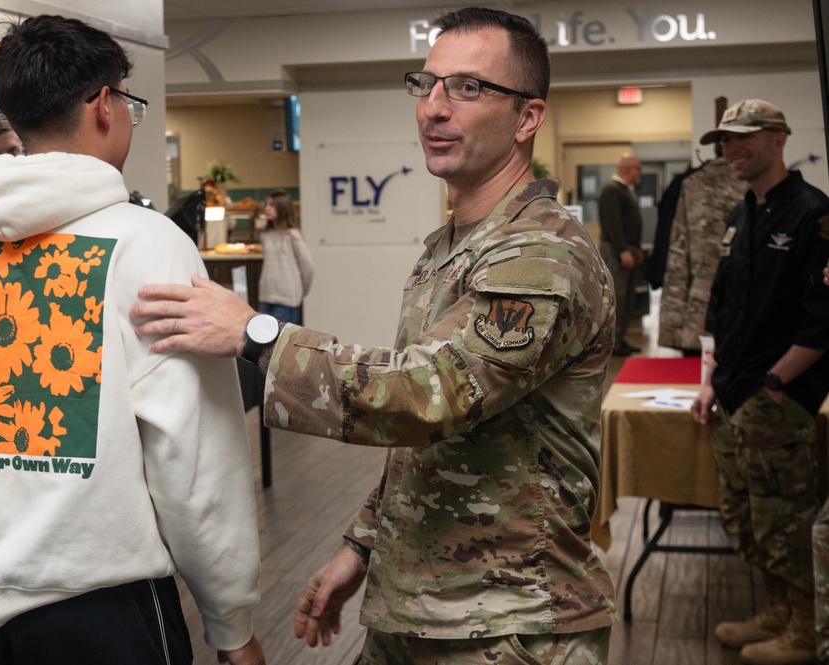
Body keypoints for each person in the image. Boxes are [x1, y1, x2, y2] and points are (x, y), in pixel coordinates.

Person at [132, 7, 617, 663]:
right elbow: (437, 443)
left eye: (468, 88)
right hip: (421, 605)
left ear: (528, 117)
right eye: (427, 84)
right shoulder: (449, 245)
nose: (434, 109)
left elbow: (433, 396)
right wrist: (362, 543)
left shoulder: (539, 253)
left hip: (510, 624)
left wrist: (257, 334)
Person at [0, 14, 264, 665]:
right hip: (105, 617)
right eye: (130, 101)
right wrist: (230, 620)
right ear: (104, 103)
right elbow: (196, 461)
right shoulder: (147, 244)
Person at [691, 98, 829, 665]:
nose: (731, 149)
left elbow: (823, 316)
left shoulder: (812, 214)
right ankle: (777, 611)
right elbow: (723, 310)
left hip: (778, 399)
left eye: (744, 137)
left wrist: (776, 381)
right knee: (747, 517)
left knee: (786, 519)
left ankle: (804, 631)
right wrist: (708, 381)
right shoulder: (740, 214)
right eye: (724, 140)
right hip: (732, 393)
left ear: (780, 138)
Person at [657, 149, 746, 353]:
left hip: (699, 310)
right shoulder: (756, 186)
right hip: (746, 312)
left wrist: (672, 327)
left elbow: (678, 256)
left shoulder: (692, 184)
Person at [598, 152, 644, 356]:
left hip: (628, 249)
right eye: (638, 168)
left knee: (627, 298)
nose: (639, 173)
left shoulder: (625, 191)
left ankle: (621, 338)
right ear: (628, 169)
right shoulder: (612, 190)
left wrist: (636, 249)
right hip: (616, 251)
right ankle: (612, 342)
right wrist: (623, 251)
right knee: (618, 296)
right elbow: (613, 223)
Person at [257, 189, 313, 324]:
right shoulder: (266, 235)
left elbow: (308, 267)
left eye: (271, 205)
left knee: (283, 342)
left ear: (282, 208)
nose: (267, 208)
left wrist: (300, 291)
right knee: (265, 341)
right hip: (266, 296)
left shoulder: (293, 235)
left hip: (287, 299)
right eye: (266, 205)